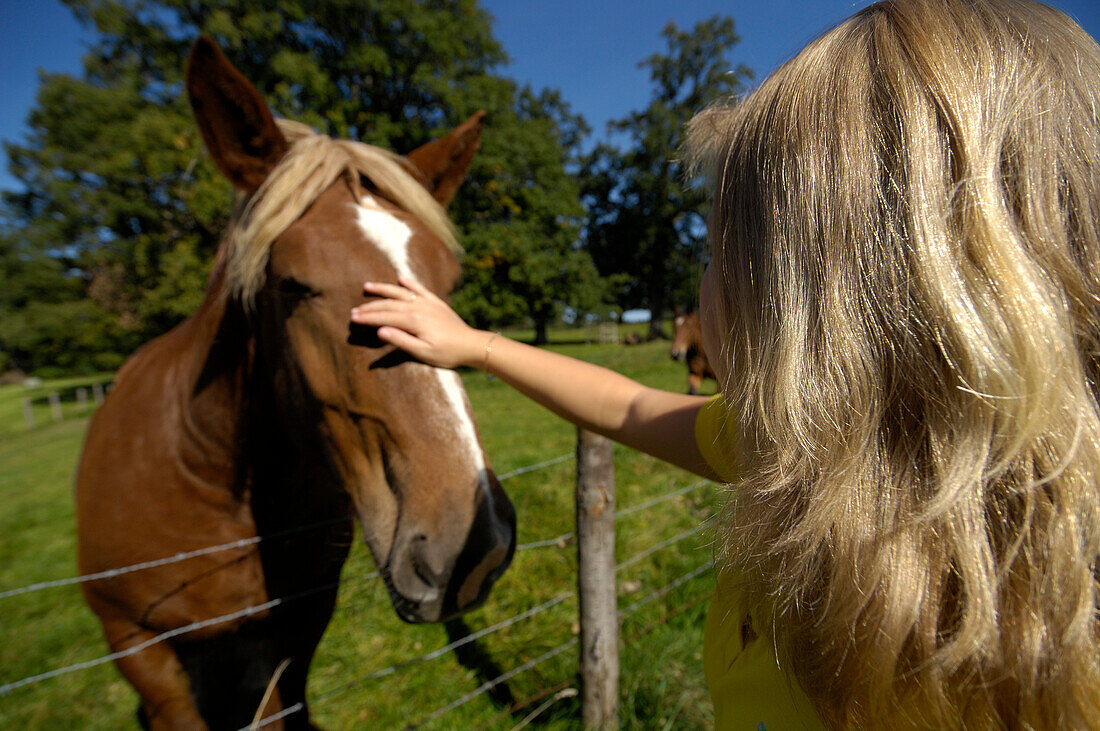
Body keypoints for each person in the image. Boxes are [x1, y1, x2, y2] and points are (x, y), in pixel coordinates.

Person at [352, 0, 1100, 726]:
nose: (699, 287)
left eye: (716, 256)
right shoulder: (793, 454)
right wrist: (476, 344)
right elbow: (628, 406)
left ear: (799, 311)